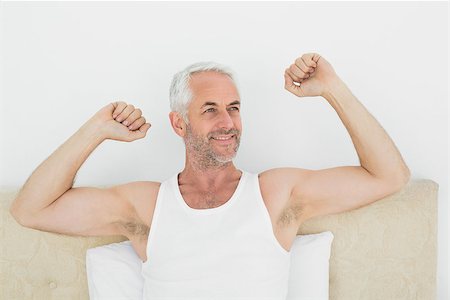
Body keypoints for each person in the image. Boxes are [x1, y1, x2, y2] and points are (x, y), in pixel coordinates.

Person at [10, 53, 410, 299]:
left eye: (234, 108)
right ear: (179, 123)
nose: (228, 122)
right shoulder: (147, 206)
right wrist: (95, 131)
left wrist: (333, 89)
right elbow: (30, 210)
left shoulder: (276, 195)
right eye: (211, 109)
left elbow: (390, 176)